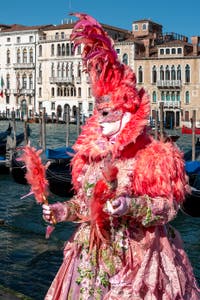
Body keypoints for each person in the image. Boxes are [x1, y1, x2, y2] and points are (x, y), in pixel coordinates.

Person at [42, 13, 200, 299]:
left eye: (107, 115)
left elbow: (168, 207)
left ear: (128, 113)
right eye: (98, 115)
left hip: (137, 259)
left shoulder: (153, 155)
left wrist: (131, 205)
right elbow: (85, 204)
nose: (100, 123)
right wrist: (62, 211)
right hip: (92, 256)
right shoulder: (93, 157)